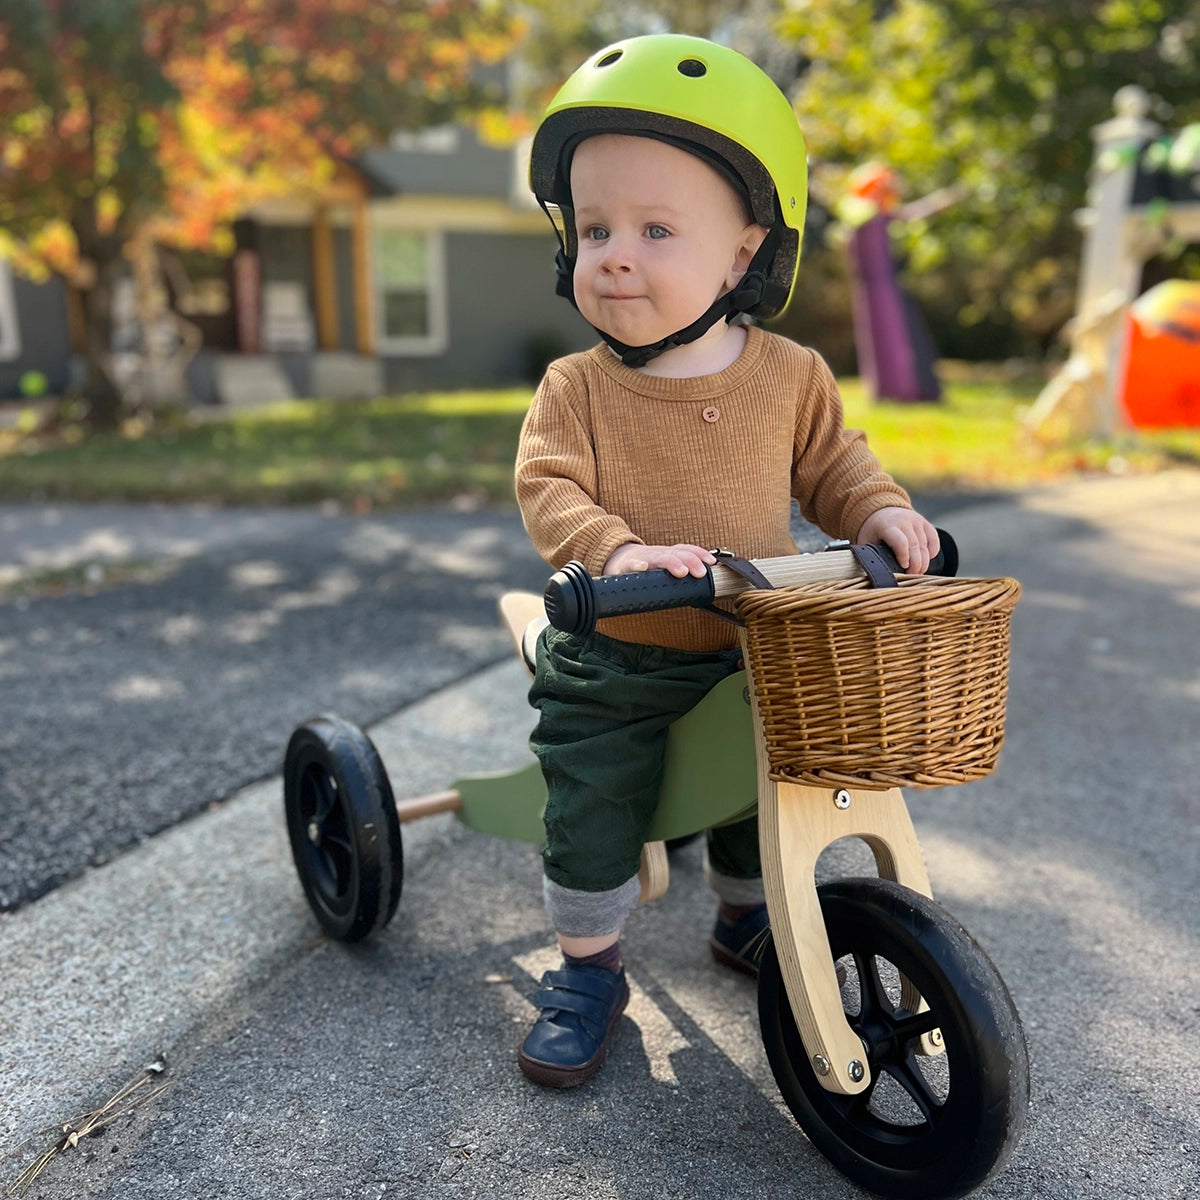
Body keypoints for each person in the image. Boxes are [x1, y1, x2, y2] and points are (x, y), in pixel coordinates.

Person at [514, 33, 940, 1089]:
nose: (615, 252)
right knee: (595, 795)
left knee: (775, 778)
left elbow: (837, 467)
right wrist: (614, 549)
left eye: (657, 229)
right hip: (615, 653)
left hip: (752, 640)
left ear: (743, 254)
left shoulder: (790, 376)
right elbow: (549, 487)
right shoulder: (575, 387)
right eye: (598, 226)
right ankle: (587, 966)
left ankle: (746, 914)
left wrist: (880, 514)